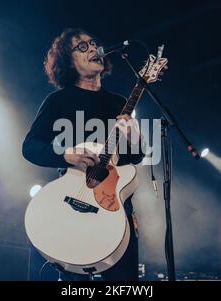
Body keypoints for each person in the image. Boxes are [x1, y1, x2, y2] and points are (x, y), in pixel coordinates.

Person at [22, 28, 145, 281]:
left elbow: (132, 160)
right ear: (68, 61)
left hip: (114, 207)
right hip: (71, 203)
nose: (91, 49)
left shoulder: (118, 102)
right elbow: (30, 146)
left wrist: (135, 138)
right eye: (81, 47)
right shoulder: (58, 101)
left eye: (93, 43)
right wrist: (67, 155)